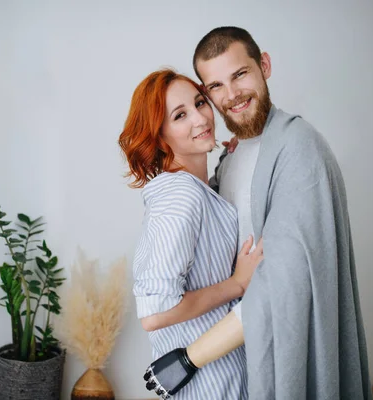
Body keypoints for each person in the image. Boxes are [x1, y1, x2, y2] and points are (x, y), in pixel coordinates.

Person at [143, 26, 373, 400]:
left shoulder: (298, 148)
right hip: (232, 373)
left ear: (263, 65)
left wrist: (189, 359)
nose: (231, 96)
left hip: (275, 360)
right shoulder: (230, 158)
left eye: (240, 74)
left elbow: (281, 282)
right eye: (215, 87)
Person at [118, 69, 264, 399]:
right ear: (159, 136)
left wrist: (232, 158)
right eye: (180, 115)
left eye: (200, 103)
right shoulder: (179, 194)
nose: (200, 119)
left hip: (223, 377)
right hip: (207, 386)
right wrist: (237, 284)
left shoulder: (198, 190)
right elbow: (155, 314)